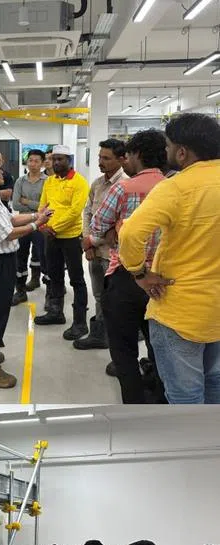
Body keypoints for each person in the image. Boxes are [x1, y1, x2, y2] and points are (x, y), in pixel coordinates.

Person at [118, 113, 220, 403]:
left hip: (180, 309)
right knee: (215, 390)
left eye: (168, 146)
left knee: (185, 396)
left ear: (182, 152)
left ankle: (188, 447)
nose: (166, 152)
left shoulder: (176, 187)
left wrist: (139, 274)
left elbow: (130, 234)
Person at [88, 129, 168, 401]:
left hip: (126, 275)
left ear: (138, 155)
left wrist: (114, 231)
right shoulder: (173, 187)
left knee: (124, 351)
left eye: (129, 155)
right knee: (159, 346)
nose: (126, 162)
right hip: (162, 278)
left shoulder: (124, 187)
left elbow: (98, 227)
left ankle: (134, 402)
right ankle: (158, 397)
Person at [0, 157, 54, 388]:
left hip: (1, 261)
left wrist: (37, 214)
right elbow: (8, 233)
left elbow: (11, 219)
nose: (2, 172)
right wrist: (38, 225)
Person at [35, 145, 91, 338]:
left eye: (61, 159)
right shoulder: (49, 181)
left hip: (70, 238)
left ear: (69, 161)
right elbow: (43, 206)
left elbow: (75, 211)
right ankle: (55, 312)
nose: (57, 162)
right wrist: (42, 226)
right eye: (54, 159)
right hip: (50, 237)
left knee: (76, 280)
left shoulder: (79, 182)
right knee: (54, 275)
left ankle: (80, 322)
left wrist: (54, 228)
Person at [77, 139, 127, 351]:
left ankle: (117, 340)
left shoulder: (125, 185)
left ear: (121, 159)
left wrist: (91, 240)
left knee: (115, 300)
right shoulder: (97, 184)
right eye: (99, 157)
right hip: (94, 252)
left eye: (106, 158)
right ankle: (100, 334)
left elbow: (117, 227)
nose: (100, 161)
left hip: (114, 256)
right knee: (98, 295)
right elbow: (88, 212)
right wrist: (88, 243)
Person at [13, 149, 48, 304]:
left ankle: (50, 295)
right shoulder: (20, 181)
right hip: (22, 223)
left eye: (36, 161)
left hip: (42, 224)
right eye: (30, 160)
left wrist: (26, 201)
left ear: (42, 163)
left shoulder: (48, 181)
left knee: (44, 256)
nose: (33, 164)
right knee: (20, 256)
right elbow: (15, 203)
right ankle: (20, 291)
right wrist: (37, 206)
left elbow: (47, 206)